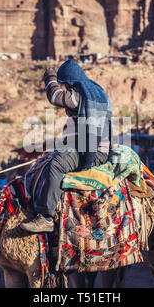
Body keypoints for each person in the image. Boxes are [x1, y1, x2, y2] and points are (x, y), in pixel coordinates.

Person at [20, 60, 112, 233]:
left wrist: (51, 78)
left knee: (55, 165)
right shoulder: (95, 92)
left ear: (69, 81)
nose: (65, 87)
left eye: (65, 84)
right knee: (51, 157)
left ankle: (47, 217)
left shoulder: (80, 94)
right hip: (93, 146)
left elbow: (54, 96)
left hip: (94, 150)